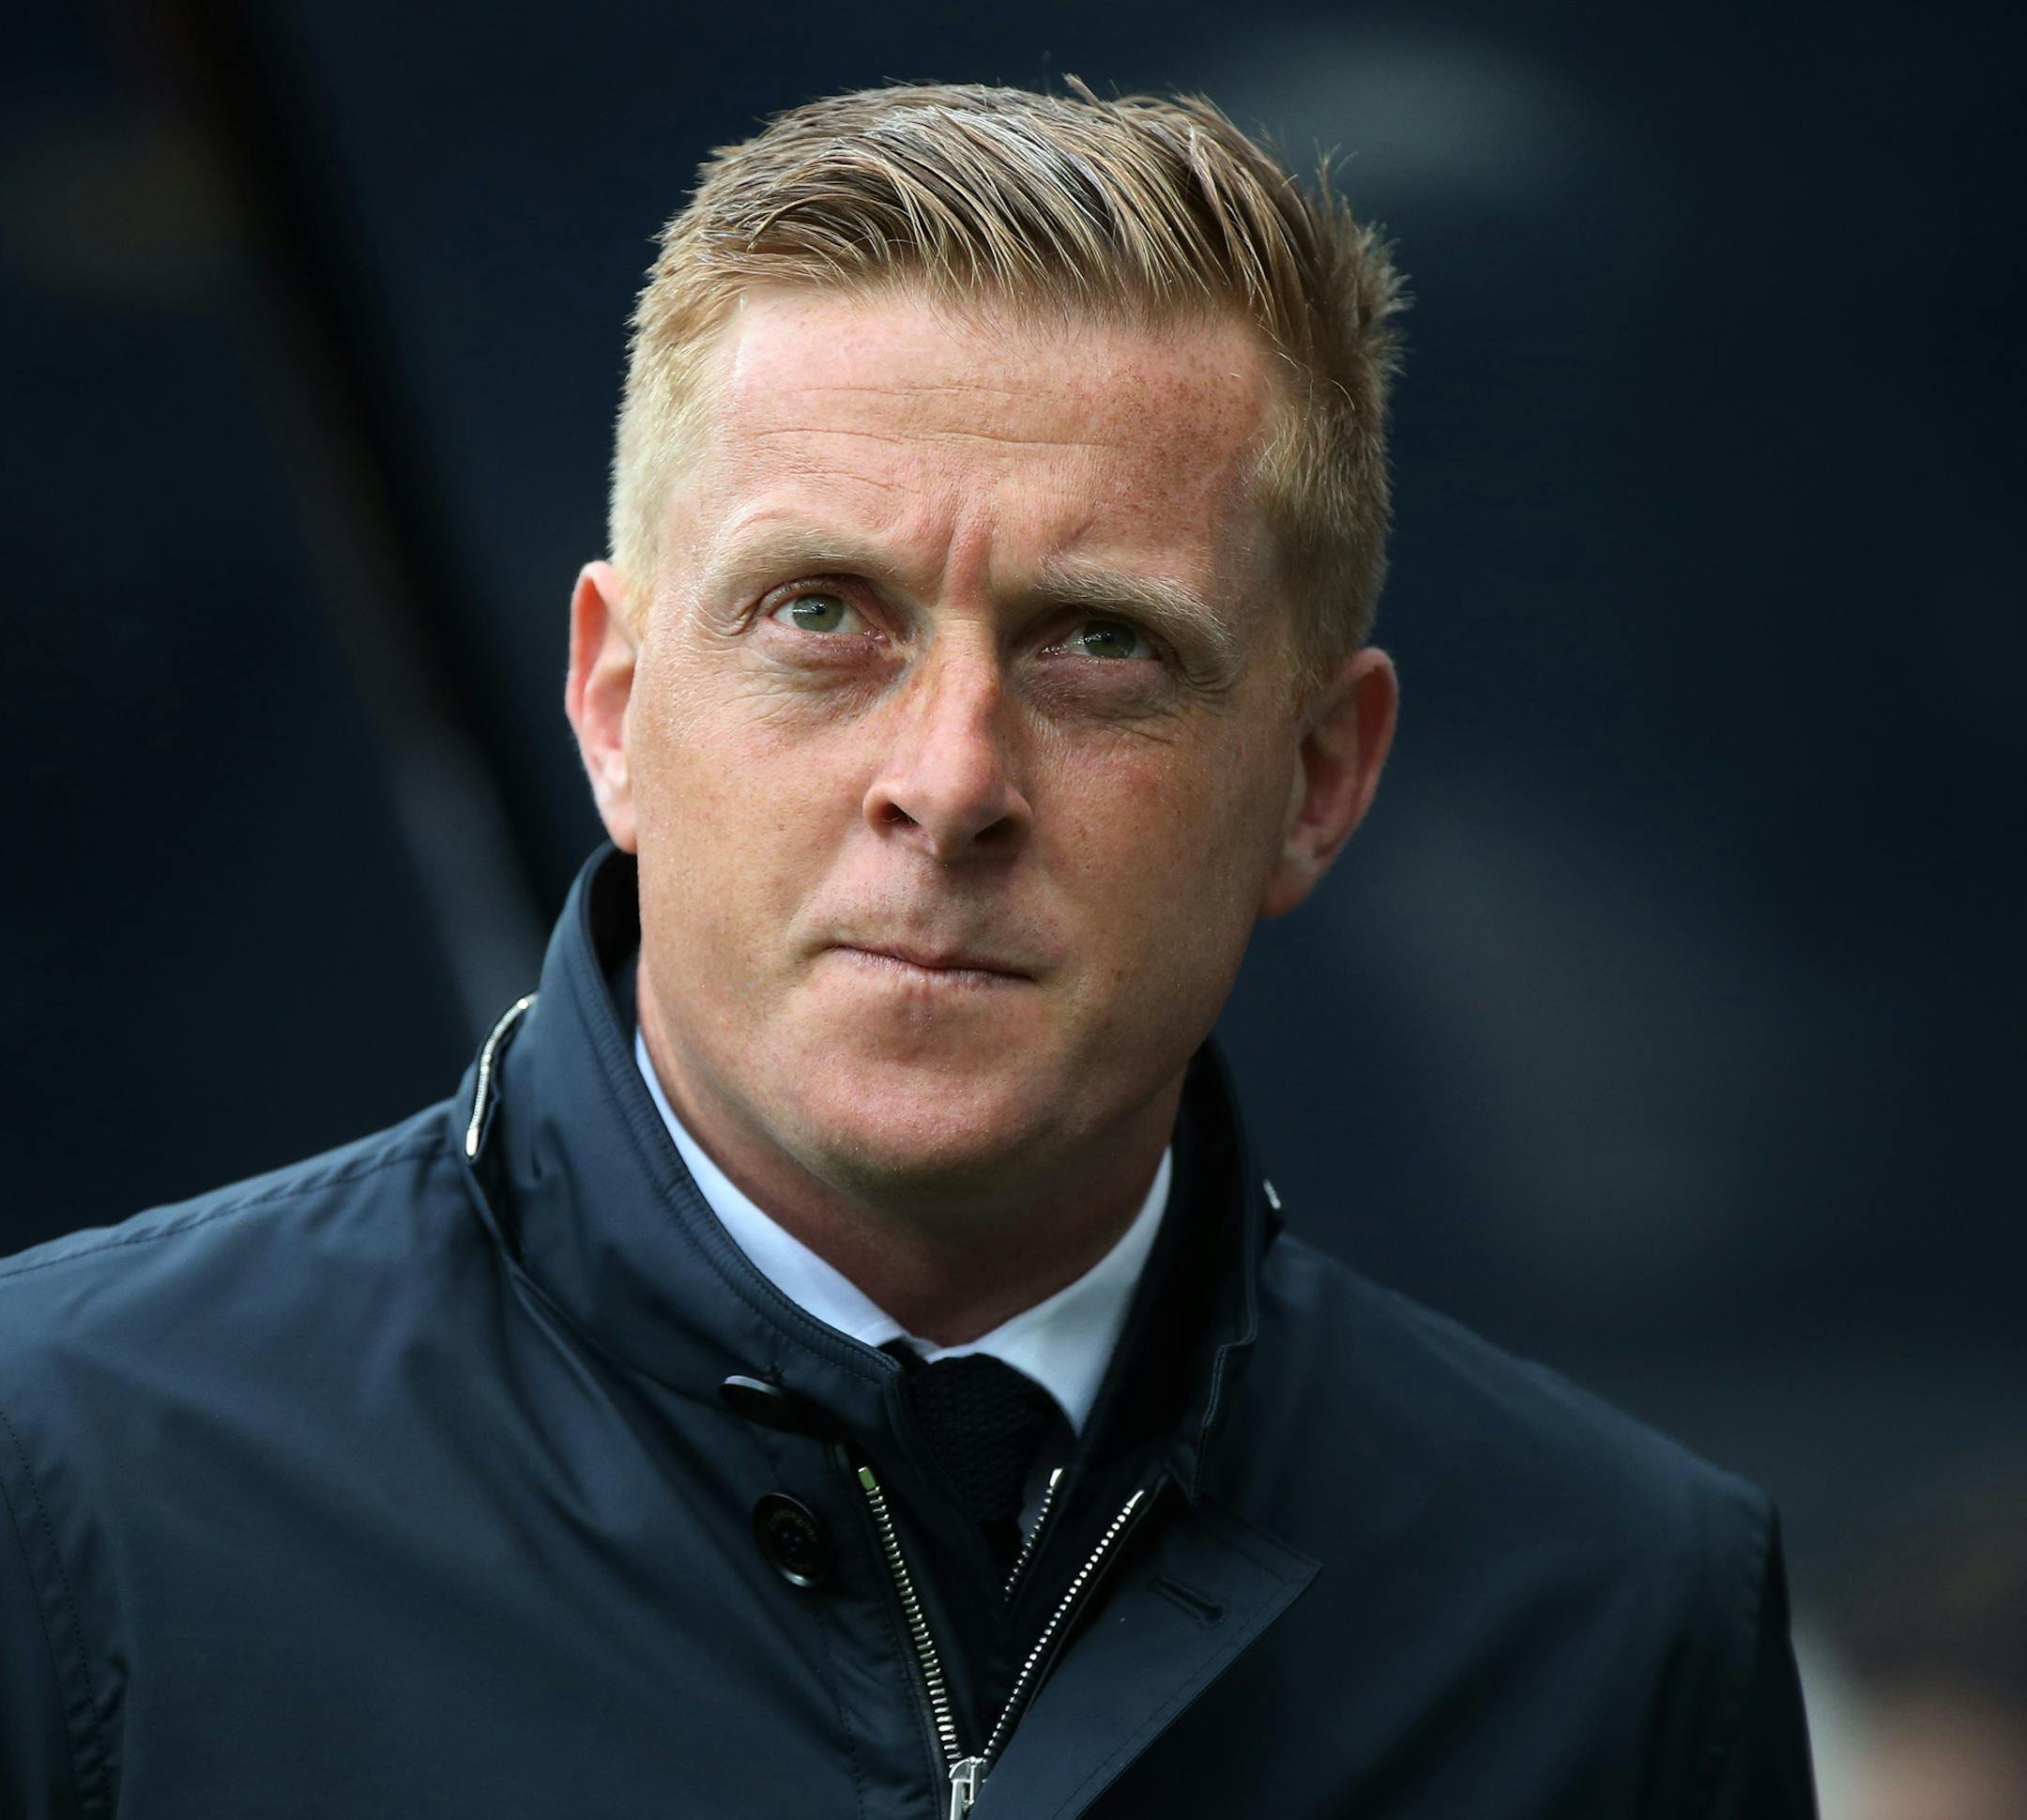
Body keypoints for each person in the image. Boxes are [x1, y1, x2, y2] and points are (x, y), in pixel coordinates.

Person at [0, 82, 1815, 1817]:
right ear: (616, 704)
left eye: (1098, 645)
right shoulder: (61, 1476)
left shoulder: (1613, 1617)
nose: (949, 785)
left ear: (1317, 780)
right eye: (821, 615)